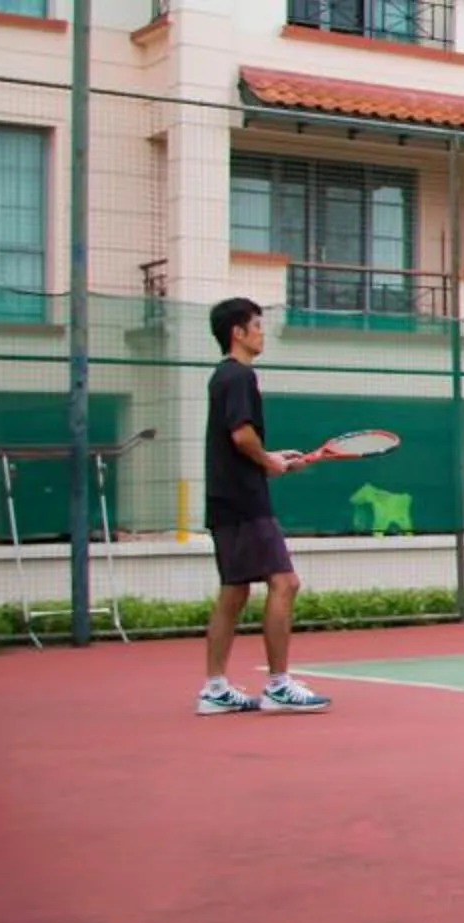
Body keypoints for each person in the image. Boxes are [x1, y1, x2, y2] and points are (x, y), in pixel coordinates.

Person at [196, 297, 332, 715]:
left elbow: (239, 443)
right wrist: (267, 461)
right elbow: (242, 436)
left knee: (234, 591)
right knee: (285, 583)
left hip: (227, 498)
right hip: (244, 502)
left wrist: (271, 460)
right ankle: (278, 685)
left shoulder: (222, 377)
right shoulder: (239, 376)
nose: (261, 333)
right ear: (237, 332)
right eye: (256, 325)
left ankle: (215, 688)